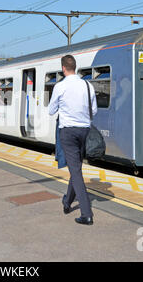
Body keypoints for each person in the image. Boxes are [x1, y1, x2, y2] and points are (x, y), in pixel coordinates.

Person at [48, 54, 97, 225]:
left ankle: (86, 213)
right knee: (76, 167)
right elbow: (94, 110)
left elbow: (51, 110)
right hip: (84, 130)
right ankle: (67, 202)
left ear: (63, 68)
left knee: (75, 171)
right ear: (74, 67)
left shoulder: (60, 87)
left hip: (68, 132)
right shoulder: (87, 85)